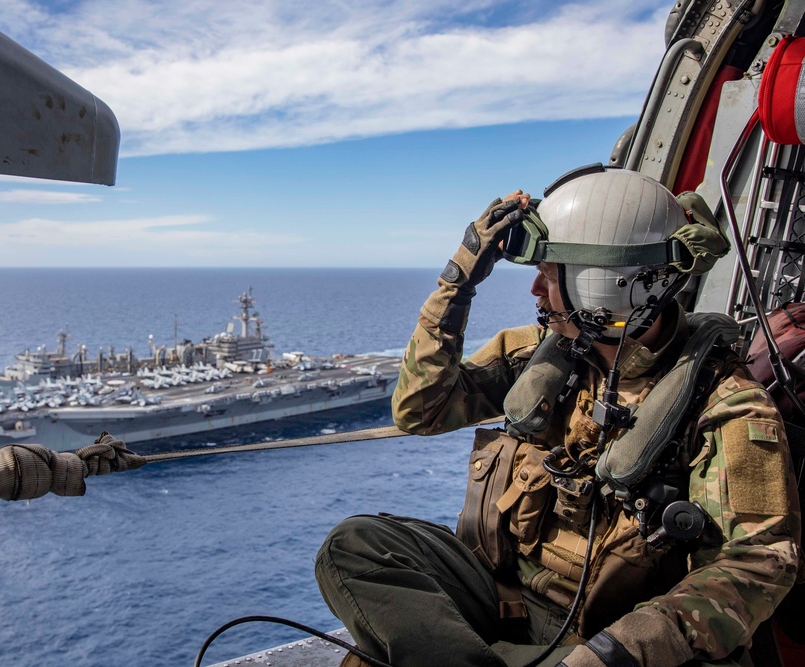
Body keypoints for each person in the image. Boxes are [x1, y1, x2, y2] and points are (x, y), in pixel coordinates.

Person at [314, 168, 801, 667]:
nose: (535, 292)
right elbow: (420, 409)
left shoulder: (726, 405)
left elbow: (759, 562)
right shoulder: (538, 360)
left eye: (548, 276)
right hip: (508, 595)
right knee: (353, 546)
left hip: (613, 637)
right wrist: (458, 281)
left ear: (605, 287)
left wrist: (619, 650)